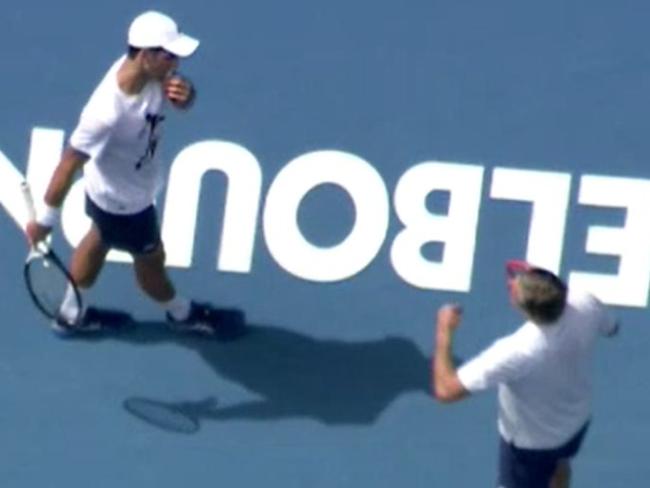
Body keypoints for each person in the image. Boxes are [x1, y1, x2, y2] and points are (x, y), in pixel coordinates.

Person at [25, 11, 222, 336]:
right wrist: (45, 221)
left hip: (110, 192)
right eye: (169, 55)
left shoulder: (150, 73)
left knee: (99, 238)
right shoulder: (105, 114)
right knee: (151, 262)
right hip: (124, 202)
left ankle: (70, 313)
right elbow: (69, 163)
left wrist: (187, 96)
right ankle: (181, 313)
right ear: (145, 55)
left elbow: (182, 97)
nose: (175, 63)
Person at [432, 260, 618, 488]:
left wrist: (444, 330)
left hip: (529, 446)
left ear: (523, 307)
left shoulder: (516, 352)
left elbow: (446, 391)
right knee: (560, 466)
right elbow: (612, 328)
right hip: (576, 422)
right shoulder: (585, 302)